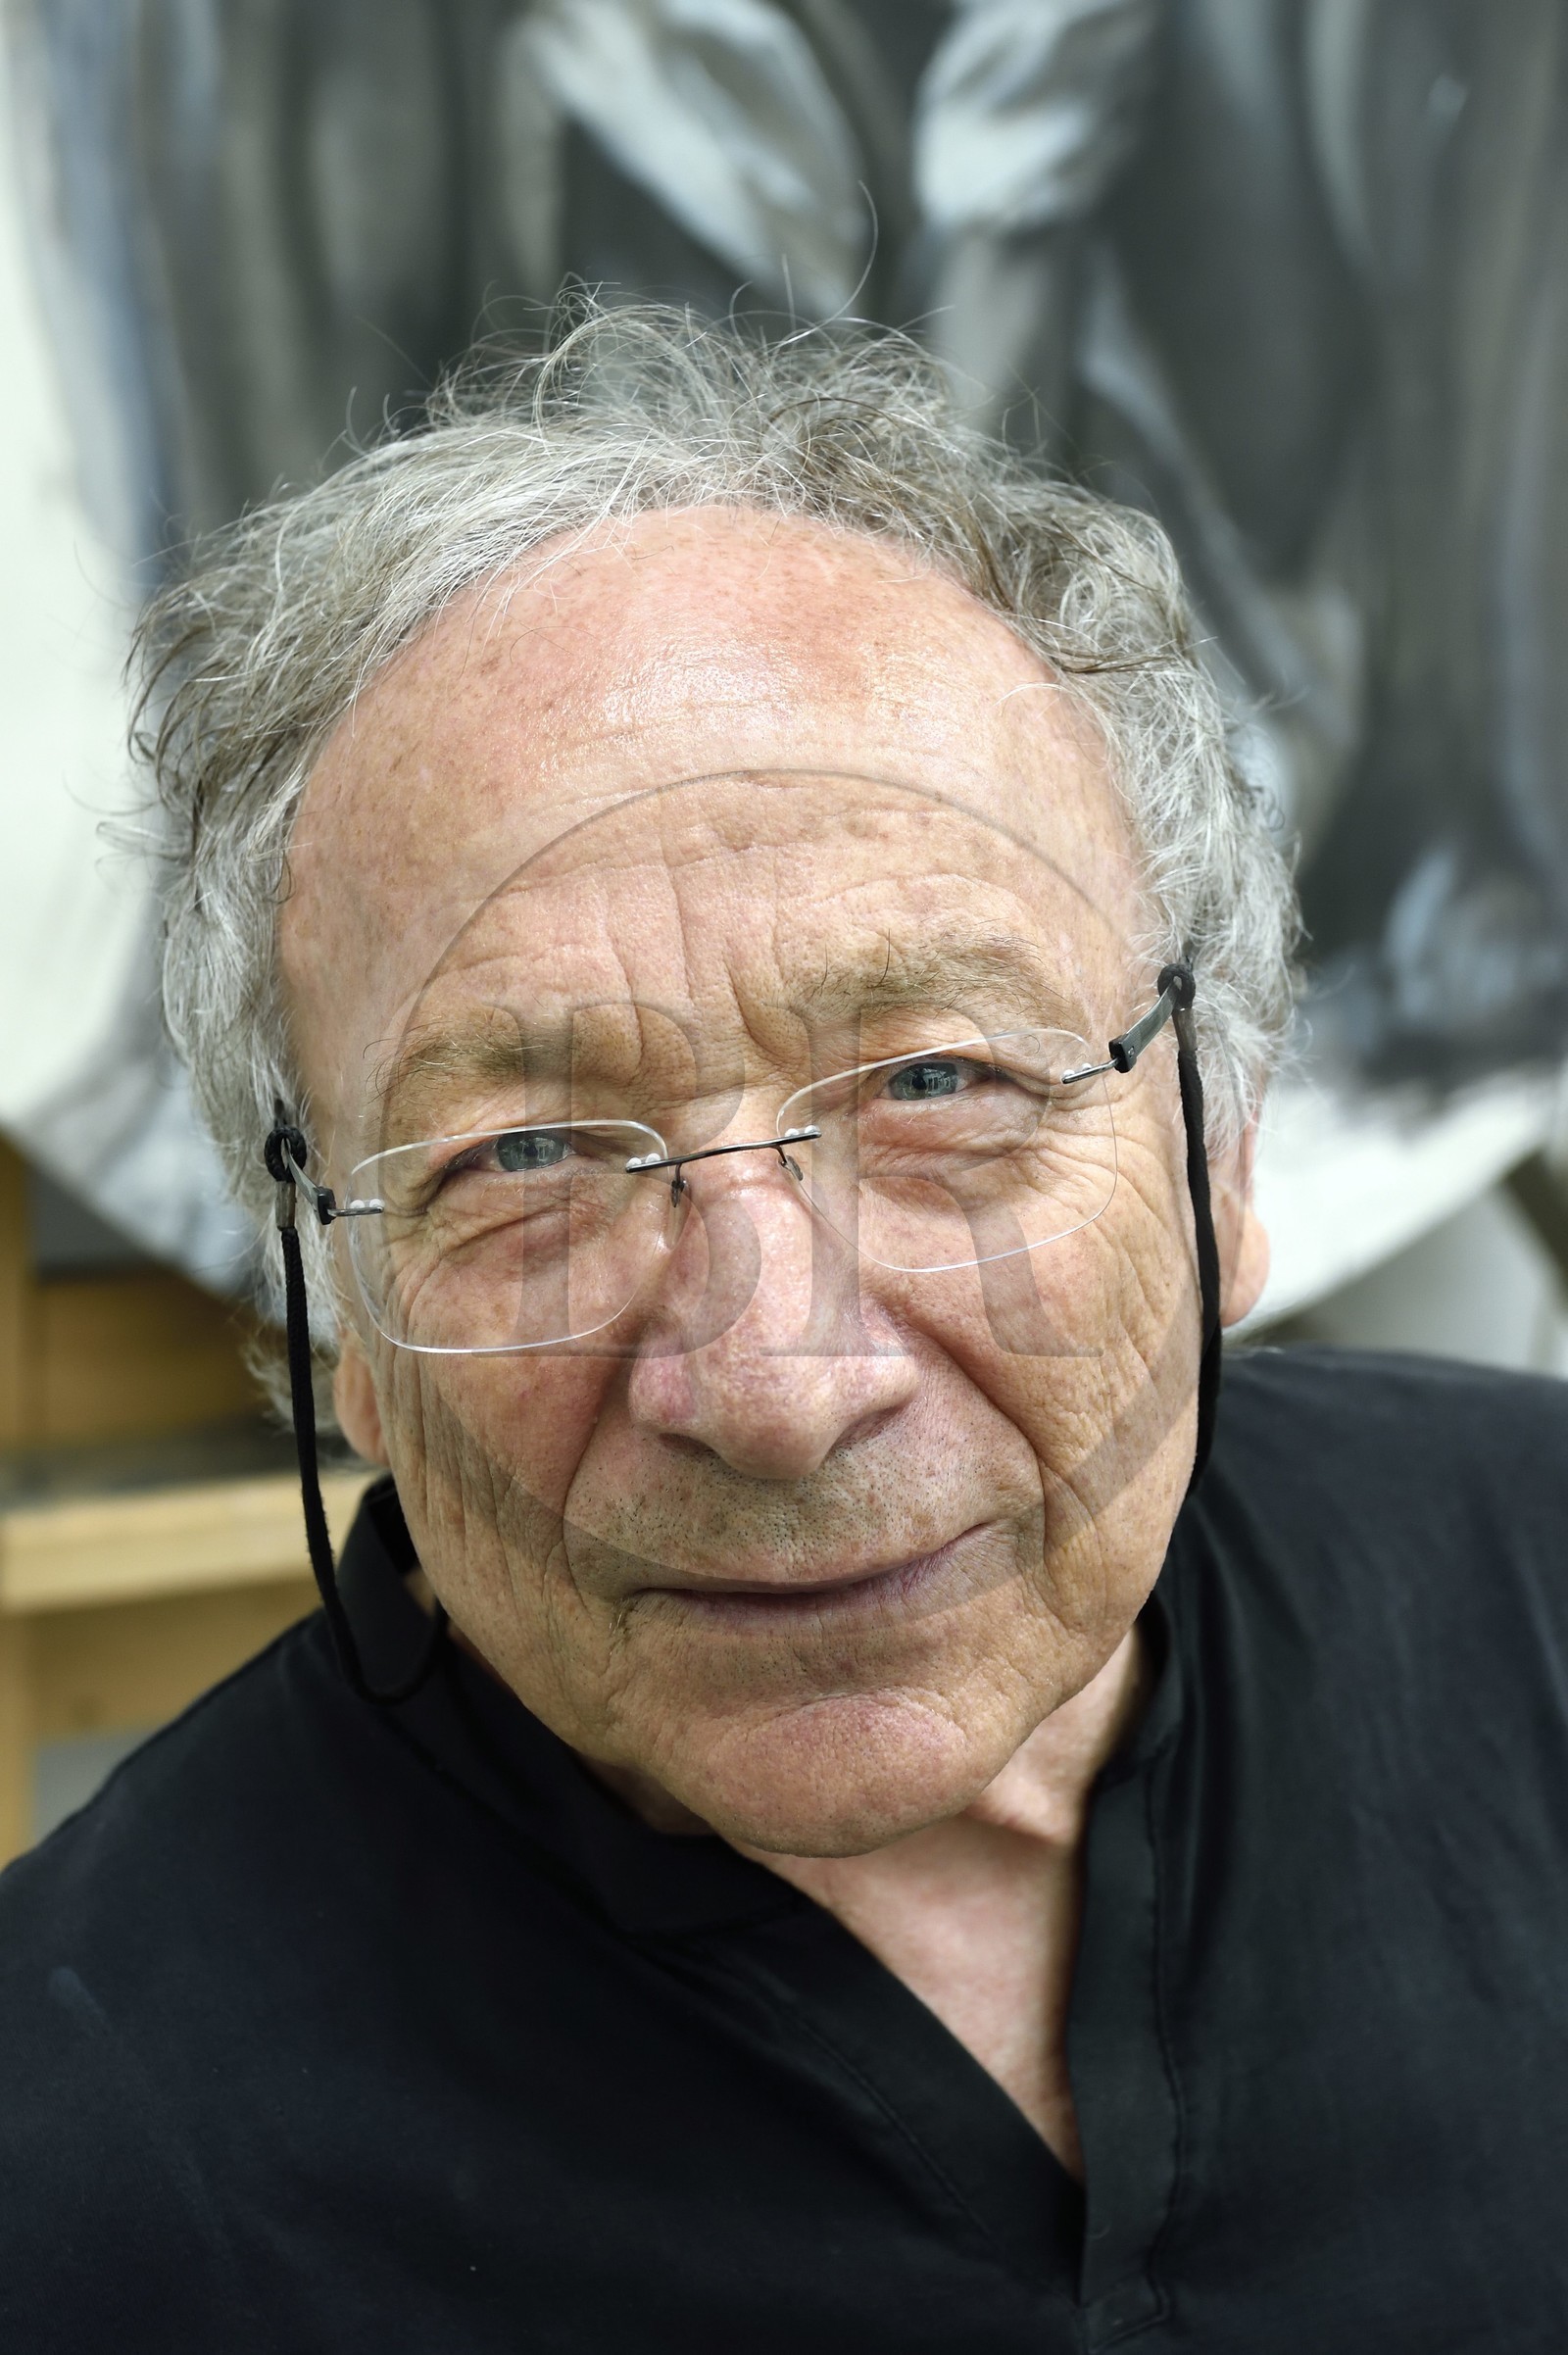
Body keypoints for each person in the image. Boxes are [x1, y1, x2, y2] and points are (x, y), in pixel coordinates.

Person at [2, 310, 1565, 2355]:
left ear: (1220, 1141)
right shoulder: (77, 2178)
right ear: (341, 1322)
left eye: (934, 1083)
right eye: (530, 1151)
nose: (774, 1387)